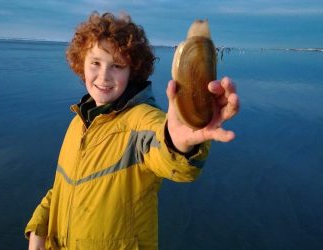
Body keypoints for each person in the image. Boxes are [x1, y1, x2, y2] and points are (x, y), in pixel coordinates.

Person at [25, 11, 239, 250]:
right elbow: (63, 187)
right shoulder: (79, 121)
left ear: (133, 71)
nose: (103, 76)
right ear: (81, 64)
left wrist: (180, 141)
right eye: (95, 63)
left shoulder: (141, 120)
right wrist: (38, 228)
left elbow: (167, 154)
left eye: (117, 65)